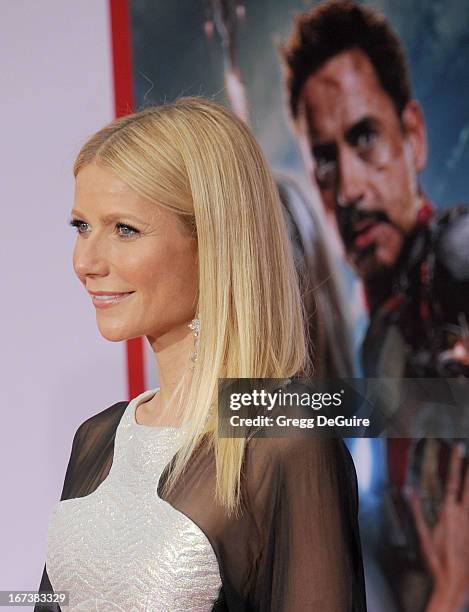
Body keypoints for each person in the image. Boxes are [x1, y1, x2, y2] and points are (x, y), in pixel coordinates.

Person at [35, 97, 366, 611]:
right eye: (81, 226)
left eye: (124, 229)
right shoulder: (96, 439)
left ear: (212, 241)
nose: (86, 261)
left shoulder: (282, 441)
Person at [281, 1, 469, 611]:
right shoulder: (375, 338)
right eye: (327, 160)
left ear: (412, 136)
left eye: (366, 138)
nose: (351, 188)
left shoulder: (456, 252)